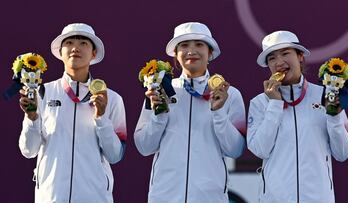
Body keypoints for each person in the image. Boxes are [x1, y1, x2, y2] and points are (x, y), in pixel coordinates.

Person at [134, 22, 247, 203]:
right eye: (184, 45)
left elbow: (235, 150)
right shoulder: (159, 89)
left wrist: (218, 113)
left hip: (210, 197)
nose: (191, 51)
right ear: (176, 55)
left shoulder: (229, 94)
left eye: (199, 45)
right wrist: (159, 115)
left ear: (210, 53)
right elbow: (144, 147)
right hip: (164, 196)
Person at [18, 23, 127, 203]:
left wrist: (101, 118)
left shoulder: (112, 99)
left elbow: (115, 155)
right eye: (69, 42)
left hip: (95, 197)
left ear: (93, 53)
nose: (75, 48)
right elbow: (29, 150)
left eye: (83, 43)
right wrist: (32, 118)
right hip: (51, 197)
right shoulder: (42, 93)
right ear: (61, 52)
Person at [247, 30, 348, 202]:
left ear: (300, 56)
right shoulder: (259, 103)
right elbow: (260, 150)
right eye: (272, 58)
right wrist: (275, 104)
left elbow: (342, 153)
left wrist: (334, 117)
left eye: (285, 53)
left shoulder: (328, 94)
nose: (279, 62)